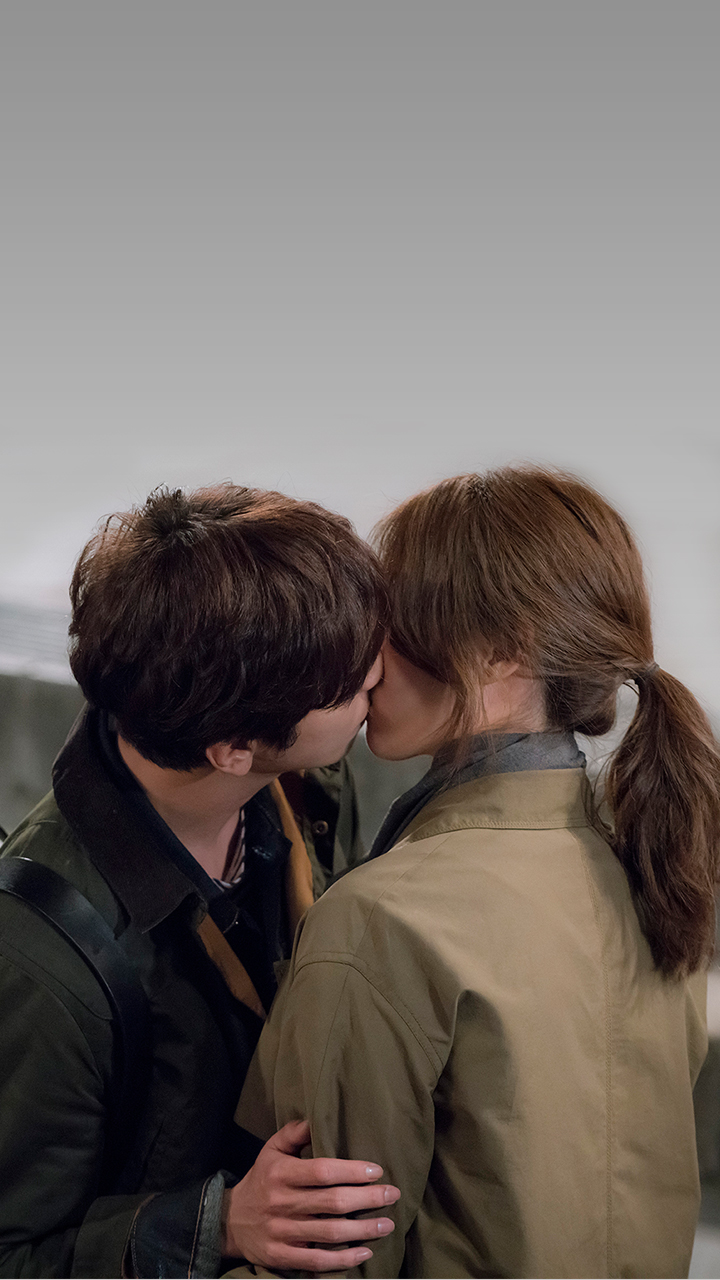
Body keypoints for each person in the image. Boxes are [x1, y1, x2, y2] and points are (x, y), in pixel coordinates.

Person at [237, 467, 720, 1279]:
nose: (363, 656)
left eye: (389, 621)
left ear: (502, 651)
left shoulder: (383, 918)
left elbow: (325, 1264)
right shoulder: (656, 873)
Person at [0, 483, 401, 1279]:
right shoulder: (39, 962)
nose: (380, 674)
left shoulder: (306, 790)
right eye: (347, 680)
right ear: (232, 749)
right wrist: (213, 1225)